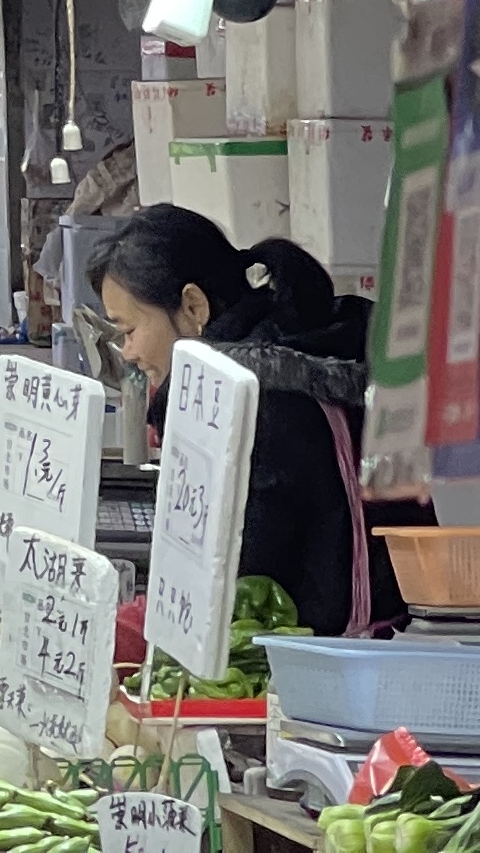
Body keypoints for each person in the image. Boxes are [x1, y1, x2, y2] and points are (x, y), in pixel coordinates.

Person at [94, 205, 411, 637]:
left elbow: (241, 584)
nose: (128, 353)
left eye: (129, 331)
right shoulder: (302, 345)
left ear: (193, 306)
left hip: (325, 658)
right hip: (385, 637)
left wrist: (122, 630)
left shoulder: (247, 399)